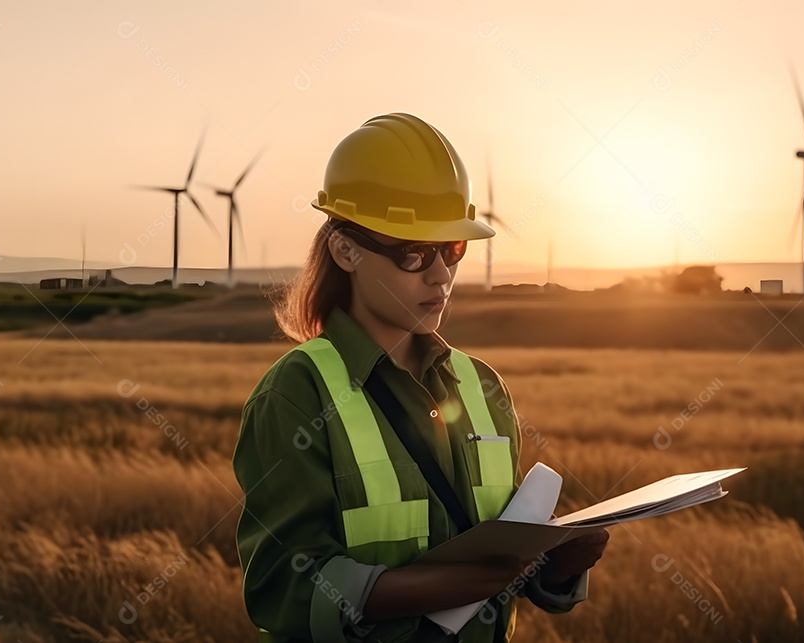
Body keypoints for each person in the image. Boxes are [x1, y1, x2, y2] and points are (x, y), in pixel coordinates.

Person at [232, 112, 609, 642]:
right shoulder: (296, 394)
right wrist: (436, 590)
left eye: (453, 250)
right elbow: (282, 589)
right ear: (346, 251)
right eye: (414, 253)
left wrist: (560, 566)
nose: (441, 275)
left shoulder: (482, 387)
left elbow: (501, 563)